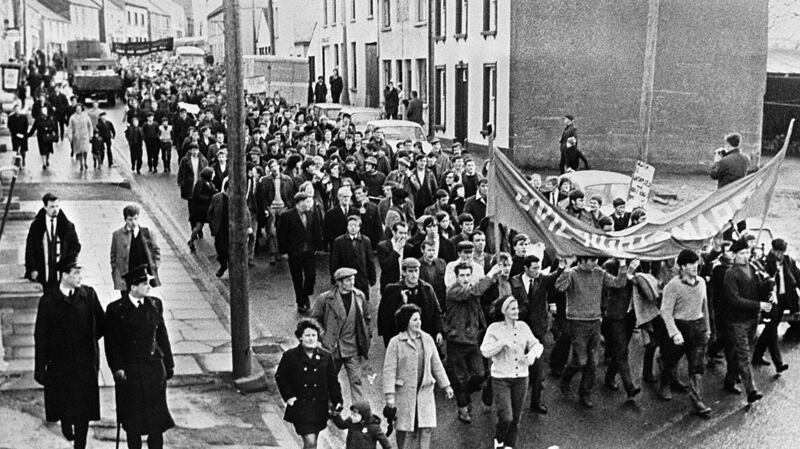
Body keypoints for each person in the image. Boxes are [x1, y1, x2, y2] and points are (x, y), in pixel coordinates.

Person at [34, 259, 104, 449]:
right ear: (65, 275)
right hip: (60, 365)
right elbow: (41, 336)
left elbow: (102, 324)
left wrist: (88, 341)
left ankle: (79, 446)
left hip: (84, 364)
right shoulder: (48, 301)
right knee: (65, 403)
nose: (80, 277)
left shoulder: (88, 296)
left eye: (81, 272)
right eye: (76, 273)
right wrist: (40, 368)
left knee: (83, 411)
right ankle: (66, 423)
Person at [104, 265, 175, 449]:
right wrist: (117, 368)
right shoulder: (116, 310)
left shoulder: (155, 304)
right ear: (133, 288)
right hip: (132, 373)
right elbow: (112, 344)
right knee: (133, 424)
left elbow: (162, 335)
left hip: (154, 371)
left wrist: (169, 363)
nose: (148, 286)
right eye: (144, 283)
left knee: (156, 424)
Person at [556, 256, 639, 408]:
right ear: (582, 260)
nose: (595, 263)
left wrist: (622, 265)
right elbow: (560, 287)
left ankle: (585, 393)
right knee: (580, 360)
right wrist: (566, 268)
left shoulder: (599, 272)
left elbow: (619, 283)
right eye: (591, 261)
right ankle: (566, 379)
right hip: (577, 322)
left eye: (595, 260)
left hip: (595, 322)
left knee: (593, 362)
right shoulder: (573, 273)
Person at [383, 304, 453, 449]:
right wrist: (390, 395)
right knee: (403, 429)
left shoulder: (427, 339)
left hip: (425, 391)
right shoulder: (395, 343)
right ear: (406, 321)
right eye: (414, 320)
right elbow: (389, 370)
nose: (418, 323)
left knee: (426, 428)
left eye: (419, 319)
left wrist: (446, 386)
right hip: (404, 393)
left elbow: (436, 364)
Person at [480, 297, 543, 449]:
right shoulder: (494, 328)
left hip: (521, 377)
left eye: (517, 308)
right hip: (501, 378)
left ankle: (510, 446)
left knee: (516, 418)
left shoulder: (523, 326)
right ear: (504, 311)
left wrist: (532, 355)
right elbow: (485, 350)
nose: (517, 311)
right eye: (513, 309)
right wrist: (501, 343)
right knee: (506, 417)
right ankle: (499, 439)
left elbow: (536, 344)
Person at [659, 249, 712, 417]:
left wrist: (708, 329)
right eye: (691, 264)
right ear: (682, 266)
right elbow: (665, 312)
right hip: (680, 327)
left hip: (698, 327)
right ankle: (665, 384)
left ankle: (697, 401)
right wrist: (674, 333)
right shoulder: (673, 286)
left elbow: (705, 308)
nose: (695, 266)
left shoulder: (702, 282)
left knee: (697, 366)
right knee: (671, 359)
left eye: (696, 263)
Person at [510, 255, 565, 413]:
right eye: (533, 268)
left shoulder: (542, 280)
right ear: (525, 268)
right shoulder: (514, 282)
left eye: (538, 268)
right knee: (512, 367)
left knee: (539, 371)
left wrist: (561, 265)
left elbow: (555, 276)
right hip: (517, 330)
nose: (537, 271)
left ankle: (536, 402)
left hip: (536, 332)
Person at [276, 318, 342, 449]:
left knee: (313, 440)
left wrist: (337, 400)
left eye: (314, 335)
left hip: (319, 407)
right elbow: (281, 376)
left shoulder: (326, 356)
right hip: (301, 407)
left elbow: (332, 381)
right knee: (310, 441)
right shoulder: (291, 356)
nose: (311, 339)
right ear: (300, 337)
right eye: (307, 335)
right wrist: (289, 396)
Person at [721, 237, 773, 404]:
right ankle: (751, 390)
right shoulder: (730, 274)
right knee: (744, 355)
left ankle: (730, 379)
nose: (745, 256)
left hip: (752, 319)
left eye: (747, 252)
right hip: (737, 321)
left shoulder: (753, 267)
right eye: (742, 253)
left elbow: (758, 290)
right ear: (734, 255)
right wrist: (759, 305)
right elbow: (734, 299)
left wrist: (768, 288)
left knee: (738, 353)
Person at [311, 267, 372, 403]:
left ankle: (360, 411)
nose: (352, 283)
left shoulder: (359, 296)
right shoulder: (325, 299)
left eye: (353, 280)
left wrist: (367, 334)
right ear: (339, 283)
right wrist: (324, 336)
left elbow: (367, 317)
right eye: (348, 280)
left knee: (356, 382)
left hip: (353, 347)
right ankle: (326, 408)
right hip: (333, 348)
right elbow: (314, 319)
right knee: (329, 381)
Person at [445, 263, 490, 423]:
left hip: (472, 341)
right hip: (457, 342)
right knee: (460, 378)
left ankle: (465, 395)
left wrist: (482, 328)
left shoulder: (471, 290)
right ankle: (463, 408)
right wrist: (491, 275)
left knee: (480, 374)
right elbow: (472, 292)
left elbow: (477, 310)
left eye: (467, 275)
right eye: (461, 275)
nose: (465, 279)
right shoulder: (454, 291)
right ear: (456, 277)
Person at [599, 259, 642, 401]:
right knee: (622, 350)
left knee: (619, 350)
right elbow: (613, 286)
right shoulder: (609, 265)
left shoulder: (637, 264)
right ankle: (629, 387)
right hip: (615, 315)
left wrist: (636, 278)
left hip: (630, 314)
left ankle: (610, 377)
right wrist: (627, 272)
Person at [753, 238, 799, 372]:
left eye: (782, 252)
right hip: (773, 301)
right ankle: (778, 364)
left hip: (786, 300)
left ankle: (757, 355)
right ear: (772, 250)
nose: (780, 255)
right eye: (778, 252)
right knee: (772, 331)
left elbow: (797, 277)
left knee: (769, 330)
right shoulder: (765, 263)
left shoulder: (789, 261)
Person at [379, 258, 444, 347]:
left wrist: (439, 331)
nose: (414, 275)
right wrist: (402, 302)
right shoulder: (392, 290)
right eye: (410, 271)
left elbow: (437, 311)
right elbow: (386, 317)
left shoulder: (427, 289)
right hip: (402, 339)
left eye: (416, 271)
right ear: (404, 272)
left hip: (423, 336)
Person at [277, 192, 324, 314]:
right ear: (299, 203)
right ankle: (301, 301)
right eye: (307, 201)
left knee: (311, 276)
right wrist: (284, 251)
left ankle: (305, 294)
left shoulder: (311, 214)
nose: (309, 204)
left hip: (309, 251)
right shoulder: (287, 216)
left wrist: (318, 247)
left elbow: (316, 231)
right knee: (297, 278)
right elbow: (281, 235)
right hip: (295, 252)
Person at [25, 193, 82, 289]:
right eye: (52, 207)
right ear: (45, 207)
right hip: (44, 271)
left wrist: (67, 265)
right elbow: (30, 248)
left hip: (60, 273)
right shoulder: (36, 226)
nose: (55, 209)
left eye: (57, 206)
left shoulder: (67, 226)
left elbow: (75, 246)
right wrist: (33, 269)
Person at [110, 205, 161, 295]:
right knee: (127, 302)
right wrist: (116, 271)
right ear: (125, 219)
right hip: (126, 275)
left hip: (142, 274)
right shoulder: (117, 235)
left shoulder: (147, 233)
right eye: (130, 219)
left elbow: (156, 251)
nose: (133, 222)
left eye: (135, 219)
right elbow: (113, 255)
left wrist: (154, 266)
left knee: (143, 302)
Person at [208, 179, 253, 277]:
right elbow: (210, 213)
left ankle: (233, 271)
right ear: (228, 188)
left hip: (233, 230)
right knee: (221, 250)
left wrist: (248, 226)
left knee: (233, 252)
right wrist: (212, 226)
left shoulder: (238, 199)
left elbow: (246, 212)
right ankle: (223, 265)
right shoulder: (217, 198)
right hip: (220, 229)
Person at [257, 158, 297, 265]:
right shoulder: (265, 180)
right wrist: (266, 208)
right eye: (271, 167)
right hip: (272, 208)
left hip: (284, 207)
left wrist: (289, 206)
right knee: (271, 231)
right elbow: (263, 197)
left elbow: (291, 194)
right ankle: (273, 253)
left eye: (275, 166)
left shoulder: (287, 179)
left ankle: (281, 251)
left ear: (279, 166)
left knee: (283, 230)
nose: (274, 168)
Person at [711, 133, 750, 239]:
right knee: (740, 217)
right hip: (740, 193)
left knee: (727, 219)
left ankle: (728, 241)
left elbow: (714, 175)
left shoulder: (724, 161)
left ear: (728, 145)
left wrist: (717, 162)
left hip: (726, 194)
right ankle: (744, 238)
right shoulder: (746, 158)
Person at [330, 215, 376, 301]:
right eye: (350, 225)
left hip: (362, 279)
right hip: (345, 279)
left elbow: (370, 260)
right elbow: (334, 261)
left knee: (362, 302)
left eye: (355, 225)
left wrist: (372, 278)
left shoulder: (366, 241)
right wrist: (334, 278)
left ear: (360, 227)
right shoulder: (339, 241)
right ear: (347, 226)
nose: (353, 228)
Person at [177, 143, 209, 234]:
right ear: (190, 151)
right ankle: (193, 227)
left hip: (200, 188)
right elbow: (181, 172)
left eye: (196, 150)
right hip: (189, 188)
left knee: (200, 209)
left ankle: (199, 228)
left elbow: (207, 173)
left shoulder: (203, 160)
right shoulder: (185, 160)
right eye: (193, 150)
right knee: (192, 209)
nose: (195, 152)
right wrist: (180, 183)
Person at [187, 167, 217, 252]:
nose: (214, 175)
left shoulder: (210, 183)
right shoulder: (200, 183)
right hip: (200, 210)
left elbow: (214, 191)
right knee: (198, 227)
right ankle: (191, 241)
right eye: (213, 174)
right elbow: (197, 195)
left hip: (206, 209)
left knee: (209, 226)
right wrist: (208, 198)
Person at [377, 222, 410, 294]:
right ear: (393, 232)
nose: (403, 236)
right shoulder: (383, 246)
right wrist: (396, 251)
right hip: (390, 285)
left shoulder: (409, 247)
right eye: (400, 233)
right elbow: (385, 266)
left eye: (405, 233)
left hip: (405, 285)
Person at [28, 105, 58, 170]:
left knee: (48, 150)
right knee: (43, 150)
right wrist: (28, 135)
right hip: (41, 137)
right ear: (41, 111)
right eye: (43, 111)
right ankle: (44, 163)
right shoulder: (38, 119)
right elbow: (34, 128)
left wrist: (48, 129)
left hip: (48, 137)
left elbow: (54, 127)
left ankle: (47, 160)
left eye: (45, 111)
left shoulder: (50, 118)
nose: (44, 112)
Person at [68, 103, 93, 171]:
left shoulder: (86, 116)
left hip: (85, 136)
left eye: (79, 109)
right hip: (77, 136)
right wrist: (70, 136)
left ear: (82, 109)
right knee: (79, 151)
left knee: (85, 150)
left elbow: (90, 126)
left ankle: (85, 161)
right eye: (77, 109)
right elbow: (70, 127)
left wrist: (91, 134)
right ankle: (81, 163)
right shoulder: (72, 117)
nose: (78, 110)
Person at [9, 103, 29, 167]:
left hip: (23, 136)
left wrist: (23, 134)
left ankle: (23, 160)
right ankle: (18, 163)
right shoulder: (11, 118)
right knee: (16, 150)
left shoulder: (24, 117)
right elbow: (10, 127)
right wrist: (16, 134)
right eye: (16, 109)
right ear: (14, 110)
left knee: (23, 150)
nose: (17, 110)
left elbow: (26, 126)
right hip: (15, 136)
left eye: (18, 109)